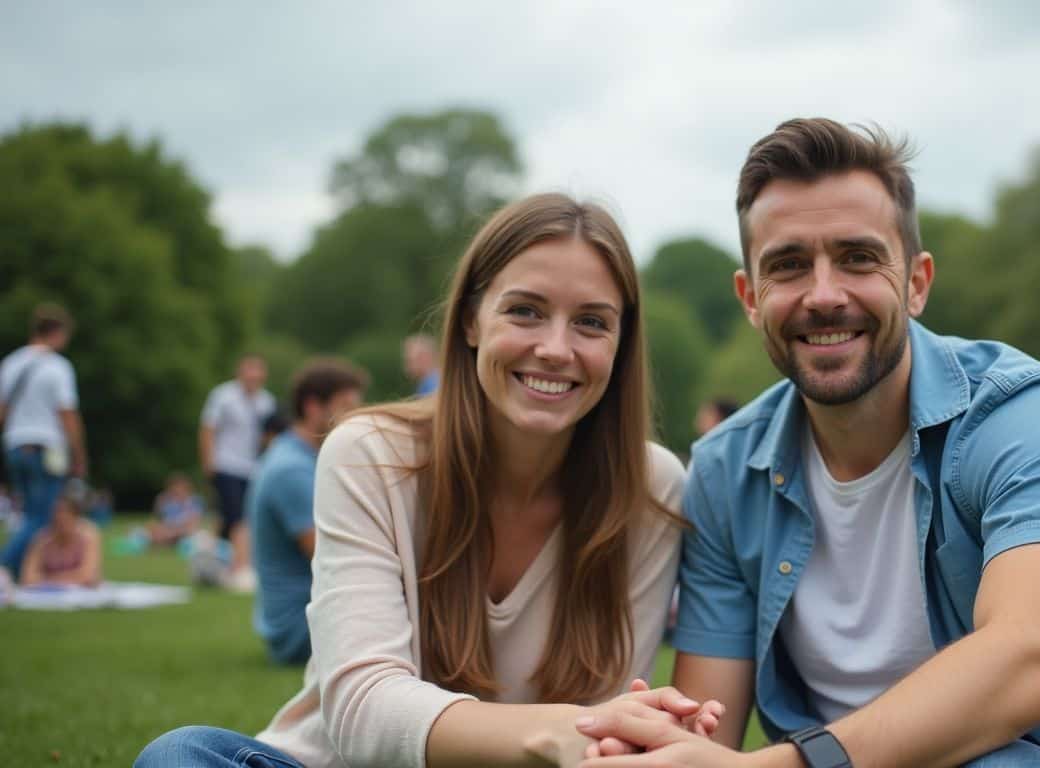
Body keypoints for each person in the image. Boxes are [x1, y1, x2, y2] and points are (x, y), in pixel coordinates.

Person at [575, 119, 1040, 767]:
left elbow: (1028, 663)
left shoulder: (1024, 412)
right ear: (750, 299)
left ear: (917, 283)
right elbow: (705, 733)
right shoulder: (726, 469)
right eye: (788, 266)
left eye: (858, 258)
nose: (825, 295)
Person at [137, 194, 721, 767]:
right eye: (525, 311)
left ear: (621, 345)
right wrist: (551, 733)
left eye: (591, 322)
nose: (554, 348)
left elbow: (605, 733)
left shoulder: (650, 488)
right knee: (182, 755)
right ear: (471, 320)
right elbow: (362, 711)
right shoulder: (369, 455)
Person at [250, 358, 368, 665]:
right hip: (299, 630)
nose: (356, 417)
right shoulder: (292, 470)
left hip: (309, 618)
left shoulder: (304, 459)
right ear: (314, 407)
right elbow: (331, 558)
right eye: (346, 406)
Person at [0, 303, 87, 578]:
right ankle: (5, 567)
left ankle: (22, 572)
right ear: (58, 333)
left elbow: (3, 410)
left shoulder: (11, 363)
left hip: (14, 445)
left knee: (26, 516)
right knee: (42, 517)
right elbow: (67, 415)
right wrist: (79, 454)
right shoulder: (57, 367)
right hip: (46, 448)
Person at [199, 355, 275, 590]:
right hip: (226, 464)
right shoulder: (223, 396)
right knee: (239, 517)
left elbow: (269, 437)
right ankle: (242, 569)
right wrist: (208, 461)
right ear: (240, 373)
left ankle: (206, 563)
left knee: (226, 519)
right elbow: (208, 428)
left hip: (253, 468)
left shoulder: (266, 401)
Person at [19, 482, 101, 587]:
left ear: (75, 516)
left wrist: (46, 578)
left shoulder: (89, 535)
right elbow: (27, 578)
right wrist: (69, 577)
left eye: (65, 514)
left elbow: (88, 576)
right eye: (56, 514)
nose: (60, 519)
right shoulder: (42, 539)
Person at [147, 473, 204, 547]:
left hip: (183, 532)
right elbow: (156, 521)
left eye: (180, 488)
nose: (177, 490)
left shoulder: (195, 501)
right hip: (166, 530)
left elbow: (194, 523)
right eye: (174, 488)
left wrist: (174, 531)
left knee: (194, 535)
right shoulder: (164, 500)